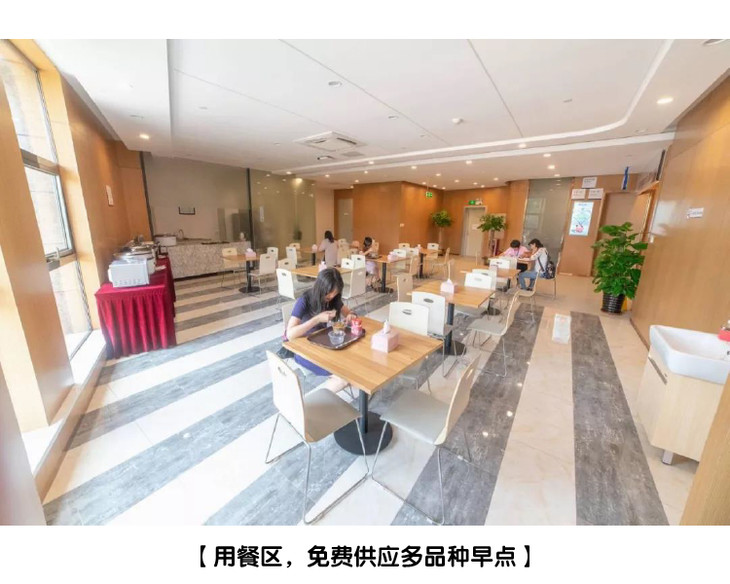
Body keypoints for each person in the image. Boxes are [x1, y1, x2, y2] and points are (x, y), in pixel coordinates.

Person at [285, 268, 354, 376]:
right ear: (320, 288)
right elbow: (290, 334)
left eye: (335, 294)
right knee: (341, 374)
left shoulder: (333, 299)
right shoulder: (304, 300)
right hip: (303, 350)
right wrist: (317, 319)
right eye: (328, 293)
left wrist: (350, 316)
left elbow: (349, 313)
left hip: (321, 343)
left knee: (348, 366)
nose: (331, 296)